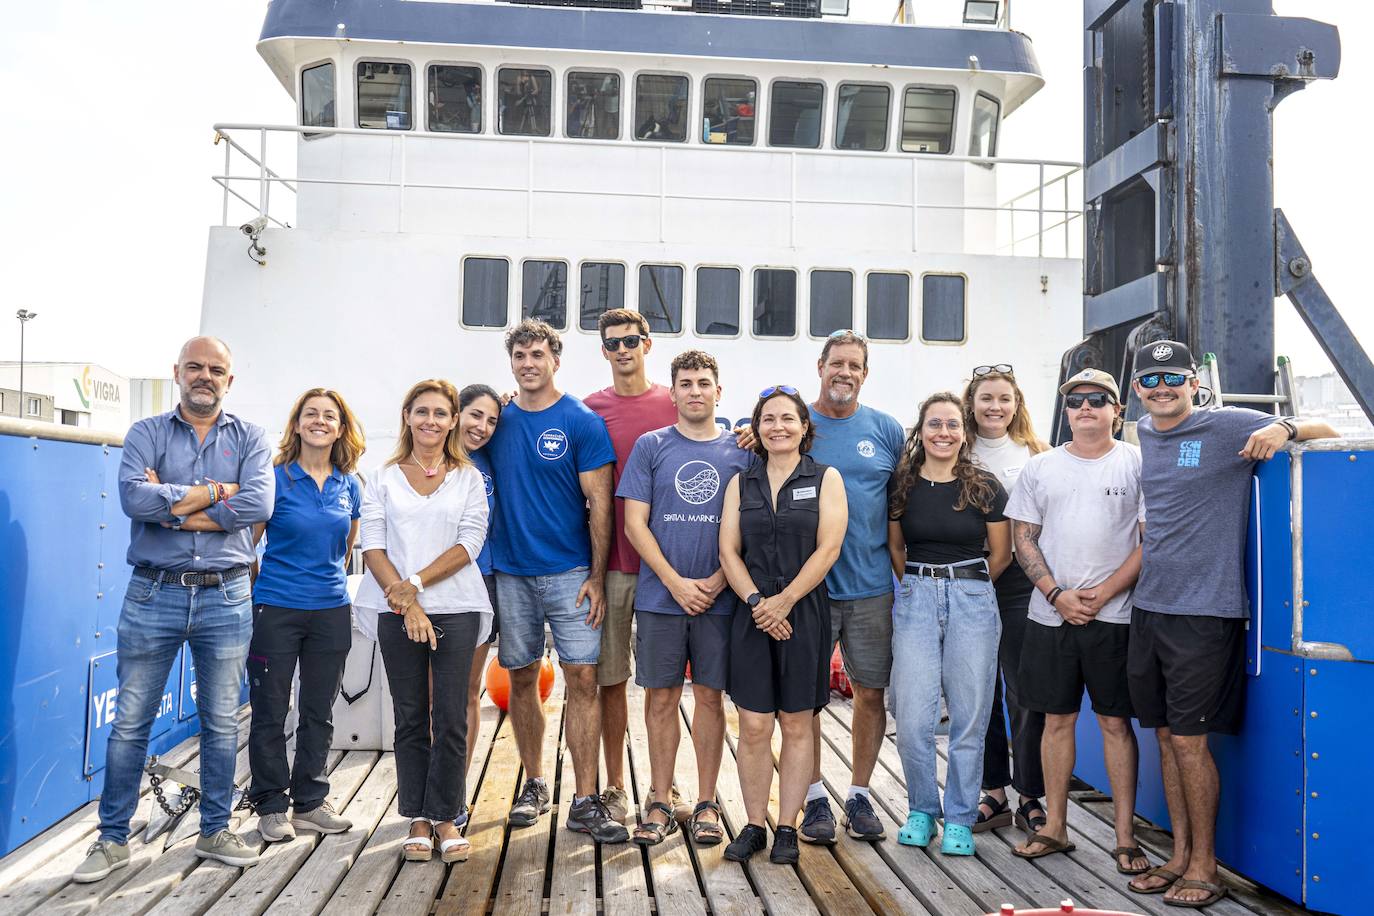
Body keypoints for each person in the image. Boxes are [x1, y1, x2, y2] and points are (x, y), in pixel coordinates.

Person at [1123, 340, 1336, 907]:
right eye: (1150, 379)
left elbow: (1328, 432)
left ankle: (1206, 867)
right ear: (1138, 387)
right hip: (1150, 608)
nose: (1162, 388)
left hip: (1205, 612)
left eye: (1173, 377)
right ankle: (1178, 855)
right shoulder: (1144, 432)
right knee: (1166, 738)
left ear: (1194, 381)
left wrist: (1286, 429)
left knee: (1191, 743)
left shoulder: (1225, 426)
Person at [75, 337, 274, 883]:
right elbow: (134, 500)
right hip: (153, 592)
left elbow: (258, 504)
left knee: (219, 722)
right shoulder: (146, 433)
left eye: (216, 369)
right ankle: (112, 841)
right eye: (195, 367)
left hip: (227, 594)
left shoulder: (252, 437)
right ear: (177, 373)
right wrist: (217, 491)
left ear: (229, 380)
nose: (205, 376)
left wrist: (177, 507)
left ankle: (215, 830)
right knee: (130, 725)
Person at [484, 319, 628, 844]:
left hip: (570, 573)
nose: (528, 363)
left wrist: (595, 575)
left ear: (556, 360)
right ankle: (536, 783)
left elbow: (601, 504)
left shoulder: (580, 420)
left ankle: (585, 799)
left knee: (583, 680)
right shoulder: (497, 420)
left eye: (537, 354)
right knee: (522, 677)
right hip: (512, 573)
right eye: (520, 355)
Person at [1003, 369, 1149, 874]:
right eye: (1076, 401)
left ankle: (1126, 838)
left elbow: (1148, 540)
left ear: (1116, 409)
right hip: (1050, 616)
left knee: (1115, 723)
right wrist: (1057, 594)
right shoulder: (1041, 468)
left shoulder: (1137, 463)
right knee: (1055, 721)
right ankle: (1055, 827)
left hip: (1118, 617)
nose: (1085, 407)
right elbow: (1024, 538)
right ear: (1066, 412)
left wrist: (1103, 593)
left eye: (1098, 400)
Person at [618, 350, 750, 847]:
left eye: (704, 382)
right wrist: (674, 581)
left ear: (720, 391)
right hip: (661, 598)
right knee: (661, 698)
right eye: (686, 382)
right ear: (671, 392)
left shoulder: (742, 453)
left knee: (711, 698)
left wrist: (718, 581)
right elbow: (635, 523)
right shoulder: (651, 447)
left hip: (720, 600)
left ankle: (708, 801)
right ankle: (658, 798)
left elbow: (750, 531)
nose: (695, 390)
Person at [356, 379, 492, 864]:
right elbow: (371, 544)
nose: (431, 421)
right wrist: (407, 602)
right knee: (410, 716)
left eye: (441, 413)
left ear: (453, 420)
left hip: (457, 607)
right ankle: (416, 815)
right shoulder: (383, 476)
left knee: (451, 716)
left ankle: (447, 815)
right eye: (422, 412)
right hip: (398, 611)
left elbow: (469, 544)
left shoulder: (468, 478)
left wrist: (413, 583)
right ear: (407, 416)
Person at [719, 386, 847, 866]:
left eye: (788, 418)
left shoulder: (826, 478)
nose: (779, 426)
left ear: (804, 426)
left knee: (797, 722)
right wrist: (757, 602)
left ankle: (788, 827)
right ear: (758, 428)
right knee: (753, 725)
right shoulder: (741, 483)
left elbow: (828, 548)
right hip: (752, 612)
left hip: (803, 611)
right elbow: (728, 551)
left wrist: (785, 601)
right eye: (768, 419)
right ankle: (754, 824)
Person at [887, 392, 1010, 857]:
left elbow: (1001, 554)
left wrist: (966, 587)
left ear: (964, 432)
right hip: (916, 594)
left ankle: (959, 816)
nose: (944, 433)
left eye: (952, 425)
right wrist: (922, 587)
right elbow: (896, 548)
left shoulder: (984, 485)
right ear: (921, 430)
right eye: (935, 424)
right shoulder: (901, 486)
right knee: (915, 715)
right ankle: (922, 809)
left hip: (973, 595)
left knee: (970, 713)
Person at [799, 331, 904, 844]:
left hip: (870, 587)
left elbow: (906, 504)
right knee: (806, 700)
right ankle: (814, 797)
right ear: (820, 366)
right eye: (836, 363)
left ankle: (860, 793)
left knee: (870, 693)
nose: (844, 372)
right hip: (808, 590)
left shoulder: (885, 429)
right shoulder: (796, 423)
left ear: (865, 374)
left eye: (854, 365)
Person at [247, 388, 365, 842]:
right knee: (270, 709)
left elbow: (346, 546)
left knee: (319, 710)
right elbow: (248, 546)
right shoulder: (274, 479)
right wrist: (268, 587)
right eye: (310, 414)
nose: (319, 421)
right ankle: (272, 805)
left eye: (329, 415)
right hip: (276, 608)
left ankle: (311, 802)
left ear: (340, 428)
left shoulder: (350, 484)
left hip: (331, 610)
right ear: (296, 424)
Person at [583, 308, 678, 824]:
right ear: (603, 350)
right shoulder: (589, 408)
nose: (623, 350)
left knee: (664, 685)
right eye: (613, 343)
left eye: (631, 341)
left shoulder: (674, 401)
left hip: (668, 566)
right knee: (611, 680)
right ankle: (616, 786)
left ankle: (666, 784)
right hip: (615, 564)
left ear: (648, 343)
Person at [963, 364, 1051, 836]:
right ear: (971, 403)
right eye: (986, 398)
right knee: (977, 691)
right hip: (970, 576)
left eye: (1004, 398)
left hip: (1018, 580)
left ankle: (1030, 795)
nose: (994, 406)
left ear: (1017, 404)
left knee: (1022, 689)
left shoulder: (1037, 453)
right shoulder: (956, 449)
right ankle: (992, 791)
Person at [458, 384, 503, 784]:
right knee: (433, 697)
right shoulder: (431, 456)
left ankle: (455, 789)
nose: (483, 426)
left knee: (469, 691)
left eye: (491, 420)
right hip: (432, 586)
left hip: (481, 582)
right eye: (475, 415)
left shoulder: (489, 458)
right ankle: (425, 790)